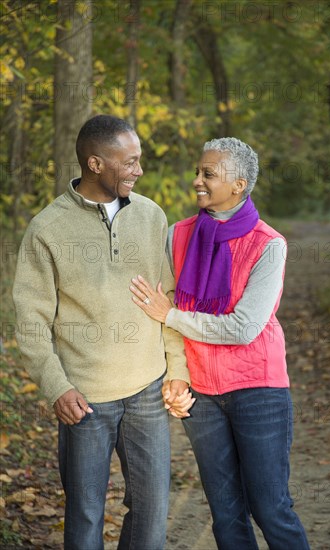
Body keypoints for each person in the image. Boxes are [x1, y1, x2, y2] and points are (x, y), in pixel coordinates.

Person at [12, 114, 194, 550]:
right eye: (129, 162)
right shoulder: (47, 229)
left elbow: (165, 298)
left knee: (151, 510)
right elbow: (31, 321)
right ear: (95, 163)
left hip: (147, 389)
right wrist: (57, 387)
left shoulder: (151, 216)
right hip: (85, 397)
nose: (139, 170)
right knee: (86, 512)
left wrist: (177, 368)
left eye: (139, 160)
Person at [130, 137, 311, 549]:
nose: (197, 180)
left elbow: (243, 327)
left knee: (271, 509)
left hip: (258, 391)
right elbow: (166, 308)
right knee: (226, 515)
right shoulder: (178, 235)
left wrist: (171, 314)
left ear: (239, 184)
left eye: (208, 174)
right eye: (197, 171)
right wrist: (176, 374)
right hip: (202, 395)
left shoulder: (269, 245)